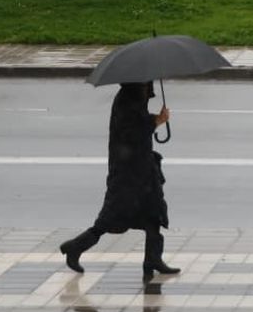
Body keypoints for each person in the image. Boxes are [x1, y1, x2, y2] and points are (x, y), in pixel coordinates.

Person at [60, 81, 179, 283]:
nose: (149, 88)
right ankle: (75, 247)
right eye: (146, 84)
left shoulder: (136, 98)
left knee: (153, 213)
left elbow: (138, 123)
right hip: (127, 174)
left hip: (142, 169)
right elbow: (130, 133)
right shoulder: (127, 100)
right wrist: (156, 121)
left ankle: (153, 259)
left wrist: (153, 120)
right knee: (110, 218)